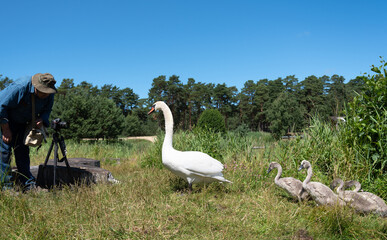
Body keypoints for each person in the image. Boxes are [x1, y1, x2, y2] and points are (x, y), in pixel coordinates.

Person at [0, 73, 57, 191]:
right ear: (36, 87)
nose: (46, 94)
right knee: (4, 153)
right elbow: (1, 106)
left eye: (47, 92)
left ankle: (28, 185)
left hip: (23, 124)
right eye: (43, 91)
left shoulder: (49, 93)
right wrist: (5, 129)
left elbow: (47, 110)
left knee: (22, 153)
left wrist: (42, 119)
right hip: (4, 121)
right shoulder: (20, 87)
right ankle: (6, 187)